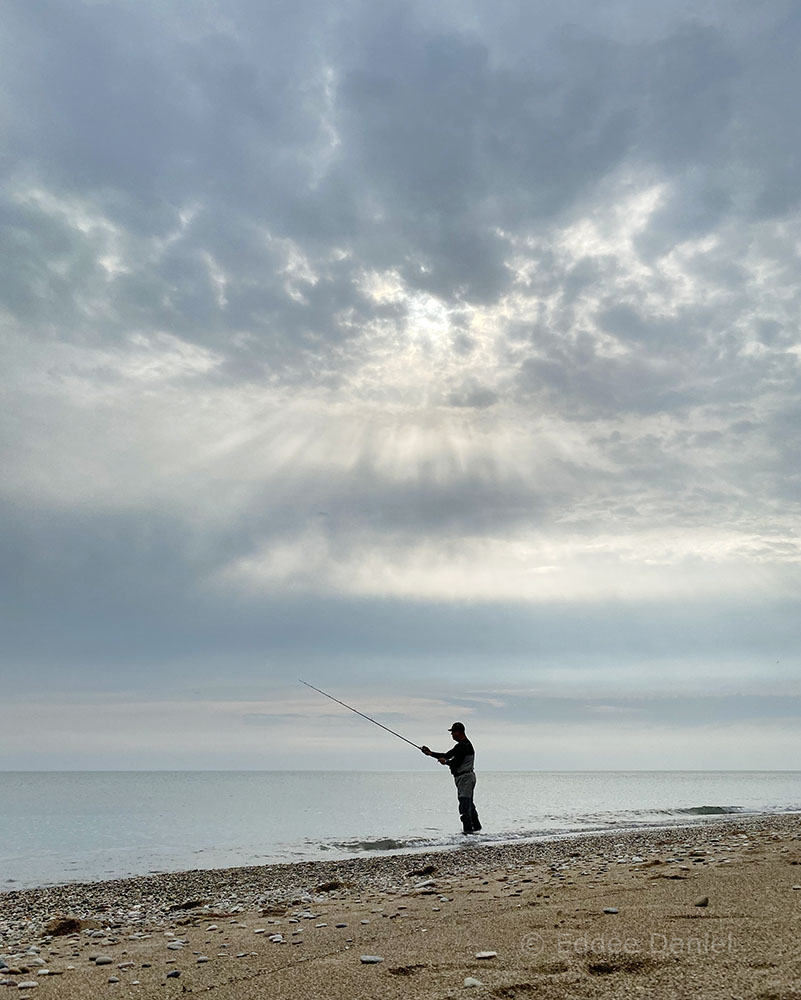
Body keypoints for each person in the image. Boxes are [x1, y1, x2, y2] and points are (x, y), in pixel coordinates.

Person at [421, 722, 482, 834]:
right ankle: (477, 830)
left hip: (465, 778)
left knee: (464, 805)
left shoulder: (464, 746)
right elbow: (446, 755)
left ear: (458, 732)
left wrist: (446, 762)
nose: (452, 735)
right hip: (466, 777)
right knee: (469, 804)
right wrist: (430, 753)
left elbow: (455, 761)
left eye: (453, 732)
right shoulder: (462, 745)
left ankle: (468, 833)